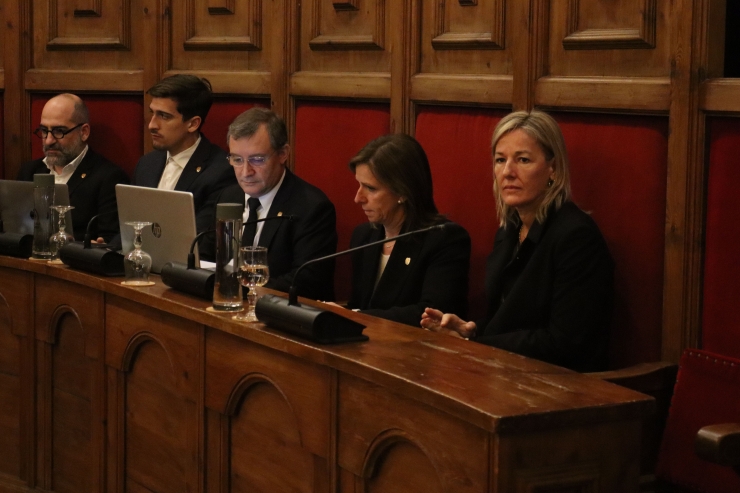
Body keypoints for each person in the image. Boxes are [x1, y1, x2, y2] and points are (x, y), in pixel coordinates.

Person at [421, 110, 614, 372]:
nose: (507, 172)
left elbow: (565, 344)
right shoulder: (509, 230)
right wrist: (471, 330)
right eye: (500, 160)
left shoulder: (575, 237)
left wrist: (478, 345)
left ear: (553, 169)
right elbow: (509, 319)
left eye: (523, 160)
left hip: (560, 385)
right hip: (505, 372)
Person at [343, 134, 471, 327]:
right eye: (359, 185)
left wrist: (355, 316)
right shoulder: (364, 236)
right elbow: (359, 305)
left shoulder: (445, 240)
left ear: (403, 191)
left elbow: (432, 314)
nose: (358, 198)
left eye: (370, 188)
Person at [213, 107, 338, 301]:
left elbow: (306, 282)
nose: (245, 172)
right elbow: (208, 255)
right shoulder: (228, 196)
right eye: (237, 160)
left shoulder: (311, 207)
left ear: (283, 154)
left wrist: (241, 291)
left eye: (257, 159)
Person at [17, 93, 129, 242]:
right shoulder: (29, 171)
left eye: (59, 131)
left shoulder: (108, 178)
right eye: (44, 131)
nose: (49, 140)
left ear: (84, 132)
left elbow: (110, 239)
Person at [132, 74, 235, 234]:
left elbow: (199, 240)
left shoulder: (221, 172)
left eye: (164, 116)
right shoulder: (147, 164)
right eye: (152, 113)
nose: (152, 125)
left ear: (193, 124)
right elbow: (132, 226)